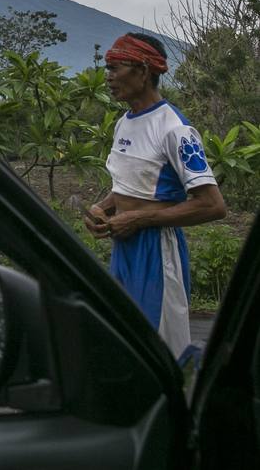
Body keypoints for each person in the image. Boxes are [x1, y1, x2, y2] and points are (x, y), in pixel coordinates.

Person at [84, 32, 227, 358]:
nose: (108, 77)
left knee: (160, 352)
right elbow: (132, 185)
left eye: (115, 68)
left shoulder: (175, 129)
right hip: (124, 250)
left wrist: (141, 218)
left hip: (157, 253)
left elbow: (213, 205)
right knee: (126, 347)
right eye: (107, 69)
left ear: (144, 71)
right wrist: (104, 208)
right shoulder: (124, 123)